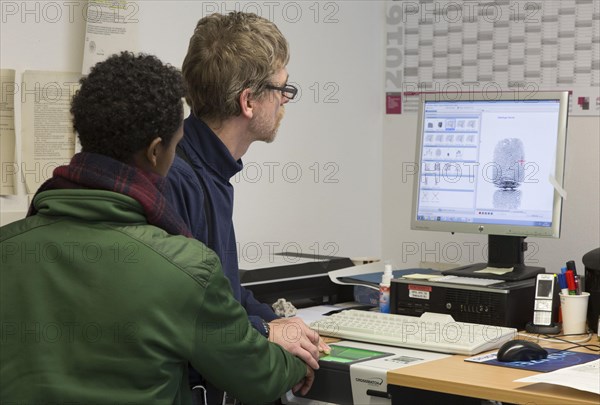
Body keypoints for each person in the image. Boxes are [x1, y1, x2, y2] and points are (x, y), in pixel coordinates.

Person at [0, 51, 313, 404]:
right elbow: (257, 376)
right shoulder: (185, 267)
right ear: (155, 152)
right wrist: (298, 362)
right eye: (176, 144)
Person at [165, 11, 328, 400]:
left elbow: (226, 293)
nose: (286, 102)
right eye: (282, 89)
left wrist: (281, 324)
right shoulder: (178, 179)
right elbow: (186, 318)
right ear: (249, 101)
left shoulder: (209, 170)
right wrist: (264, 331)